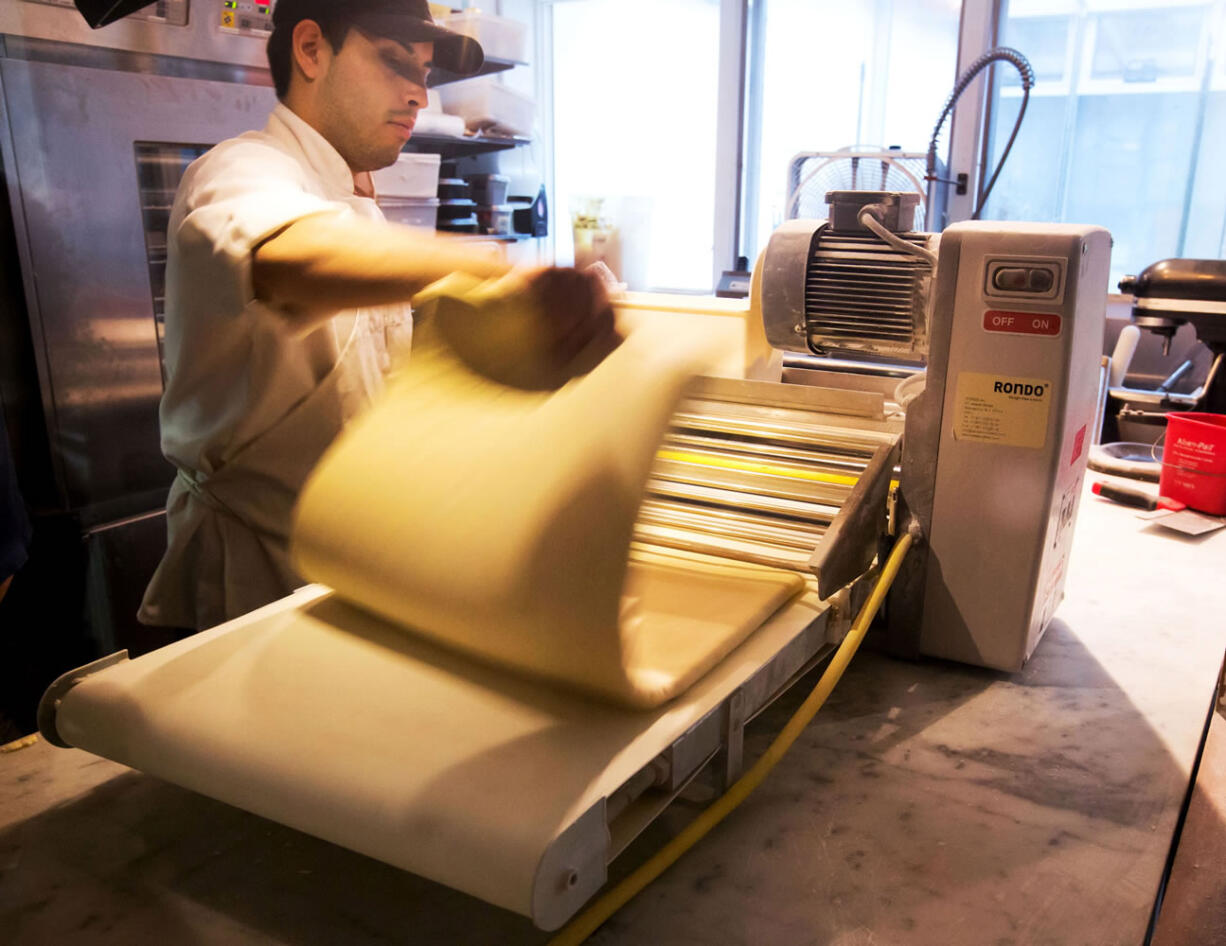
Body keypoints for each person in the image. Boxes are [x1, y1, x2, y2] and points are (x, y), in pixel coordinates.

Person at [139, 0, 618, 632]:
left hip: (338, 573)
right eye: (396, 64)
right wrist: (493, 269)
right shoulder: (243, 168)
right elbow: (292, 259)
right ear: (311, 50)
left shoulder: (357, 202)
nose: (419, 96)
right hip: (243, 591)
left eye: (425, 76)